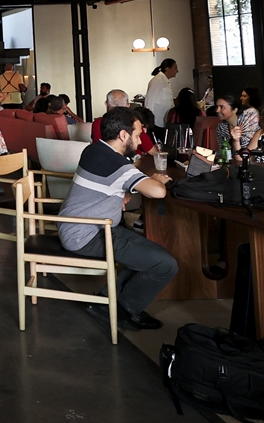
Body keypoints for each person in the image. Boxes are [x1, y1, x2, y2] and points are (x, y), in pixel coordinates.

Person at [58, 106, 177, 331]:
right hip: (87, 234)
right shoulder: (118, 165)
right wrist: (154, 180)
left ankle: (107, 301)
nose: (140, 142)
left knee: (146, 253)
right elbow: (158, 192)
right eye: (137, 135)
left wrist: (125, 191)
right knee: (165, 264)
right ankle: (123, 309)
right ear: (123, 135)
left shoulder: (94, 150)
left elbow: (109, 183)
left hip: (75, 227)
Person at [92, 90, 159, 156]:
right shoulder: (133, 124)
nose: (139, 141)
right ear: (128, 106)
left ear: (106, 104)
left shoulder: (96, 123)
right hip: (128, 161)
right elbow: (153, 151)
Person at [216, 94, 259, 159]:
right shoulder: (221, 127)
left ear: (235, 110)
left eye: (222, 107)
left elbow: (247, 149)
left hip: (251, 159)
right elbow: (222, 151)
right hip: (234, 161)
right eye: (217, 107)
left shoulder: (247, 119)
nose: (217, 110)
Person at [145, 59, 178, 127]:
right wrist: (148, 120)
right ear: (167, 69)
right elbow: (149, 101)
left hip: (164, 121)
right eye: (175, 68)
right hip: (157, 122)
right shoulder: (158, 80)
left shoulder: (165, 81)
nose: (177, 71)